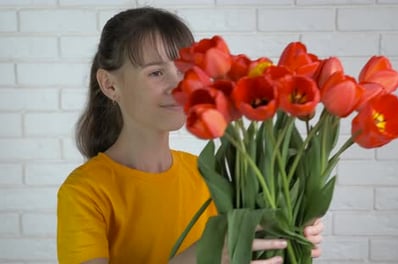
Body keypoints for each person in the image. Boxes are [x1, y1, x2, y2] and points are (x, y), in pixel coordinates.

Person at [57, 7, 324, 264]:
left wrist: (287, 237)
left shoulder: (207, 175)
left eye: (183, 70)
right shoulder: (84, 191)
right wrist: (200, 256)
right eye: (156, 72)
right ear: (109, 84)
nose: (177, 85)